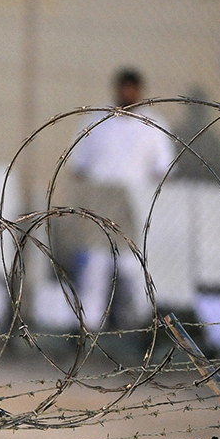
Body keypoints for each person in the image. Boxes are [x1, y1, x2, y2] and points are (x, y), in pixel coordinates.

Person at [44, 70, 175, 333]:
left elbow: (164, 169)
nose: (128, 94)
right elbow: (78, 167)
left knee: (132, 263)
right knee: (96, 262)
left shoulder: (153, 126)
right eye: (123, 88)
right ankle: (89, 324)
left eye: (132, 88)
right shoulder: (97, 122)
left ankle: (137, 325)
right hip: (100, 200)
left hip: (135, 202)